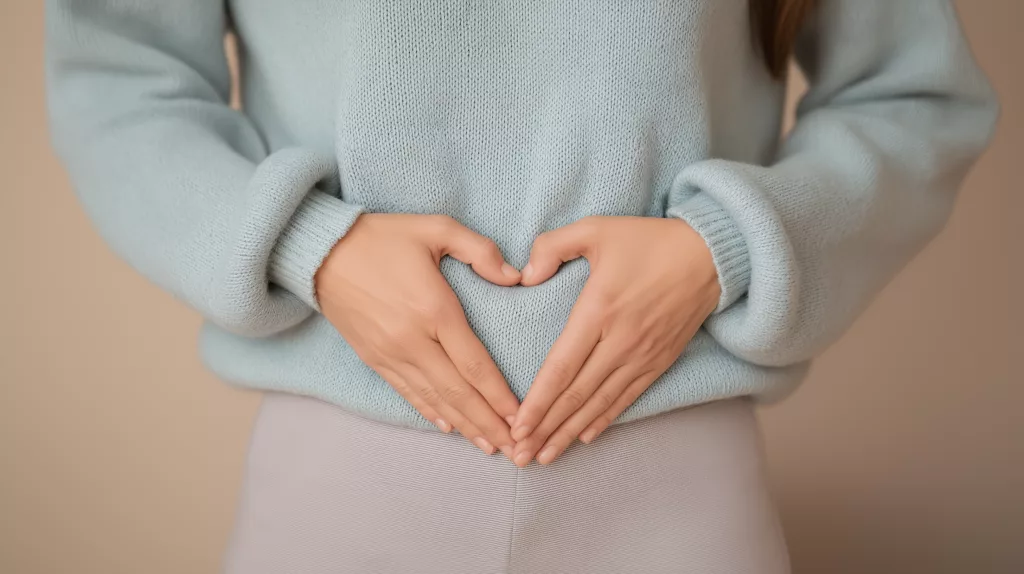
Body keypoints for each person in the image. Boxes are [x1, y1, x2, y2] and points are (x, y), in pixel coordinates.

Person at [44, 0, 998, 572]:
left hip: (677, 498)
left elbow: (911, 96)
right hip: (339, 494)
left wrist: (726, 249)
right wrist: (311, 247)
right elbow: (120, 75)